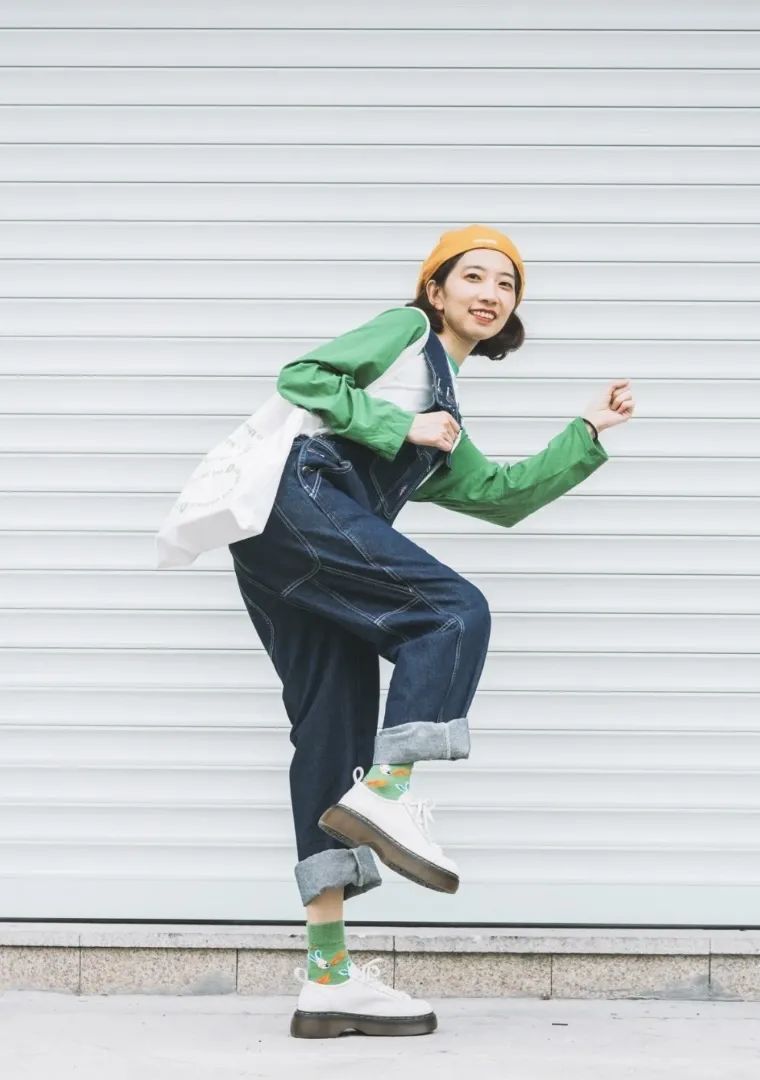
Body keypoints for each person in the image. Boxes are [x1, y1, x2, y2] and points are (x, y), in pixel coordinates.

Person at [227, 224, 635, 1038]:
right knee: (451, 612)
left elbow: (502, 496)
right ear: (436, 291)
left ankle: (328, 981)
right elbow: (305, 377)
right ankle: (389, 795)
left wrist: (585, 433)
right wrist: (399, 427)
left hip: (285, 550)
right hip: (296, 502)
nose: (491, 293)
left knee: (332, 735)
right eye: (473, 276)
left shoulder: (444, 415)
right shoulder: (407, 331)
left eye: (507, 284)